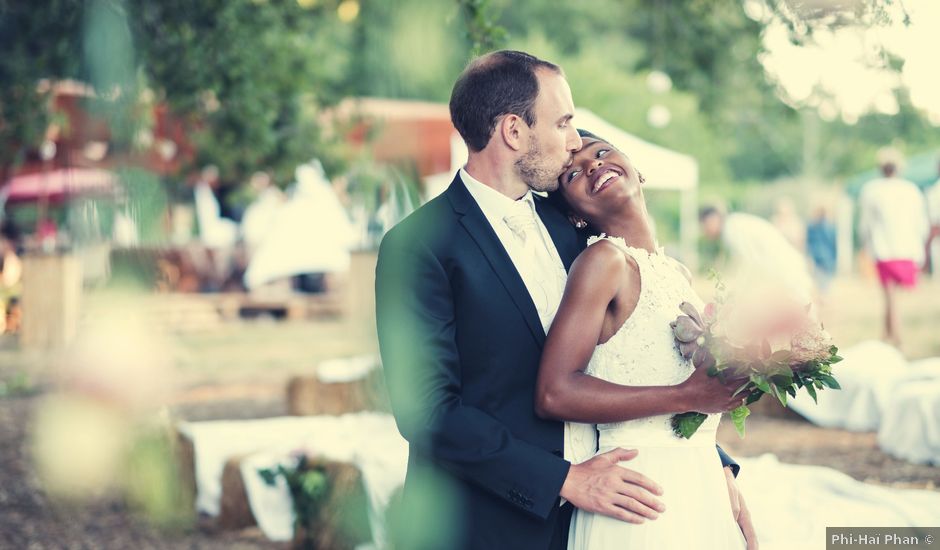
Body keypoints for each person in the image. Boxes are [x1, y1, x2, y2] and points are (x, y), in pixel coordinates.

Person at [375, 50, 748, 550]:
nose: (575, 142)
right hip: (486, 524)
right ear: (513, 131)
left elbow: (634, 354)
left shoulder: (574, 227)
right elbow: (427, 413)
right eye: (564, 122)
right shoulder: (419, 245)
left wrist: (711, 463)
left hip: (607, 521)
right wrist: (564, 481)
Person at [538, 130, 755, 549]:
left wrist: (720, 470)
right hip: (638, 495)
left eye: (602, 152)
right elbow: (553, 393)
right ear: (575, 216)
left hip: (699, 485)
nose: (593, 165)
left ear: (637, 170)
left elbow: (694, 408)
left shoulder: (678, 275)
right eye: (574, 174)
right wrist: (685, 395)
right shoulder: (603, 263)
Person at [857, 152, 930, 346]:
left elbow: (865, 224)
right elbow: (921, 223)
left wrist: (864, 245)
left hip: (884, 249)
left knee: (889, 295)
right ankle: (889, 334)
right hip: (907, 249)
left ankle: (894, 337)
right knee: (893, 295)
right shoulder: (911, 190)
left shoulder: (871, 190)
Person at [700, 205, 814, 302]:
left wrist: (736, 296)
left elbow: (748, 264)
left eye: (704, 226)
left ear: (712, 220)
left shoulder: (732, 229)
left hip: (786, 274)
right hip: (788, 271)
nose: (705, 232)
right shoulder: (735, 223)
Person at [806, 206, 838, 296]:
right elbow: (833, 243)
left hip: (817, 256)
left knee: (819, 280)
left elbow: (809, 243)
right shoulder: (830, 226)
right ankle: (823, 296)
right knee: (824, 280)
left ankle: (822, 296)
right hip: (826, 257)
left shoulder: (812, 226)